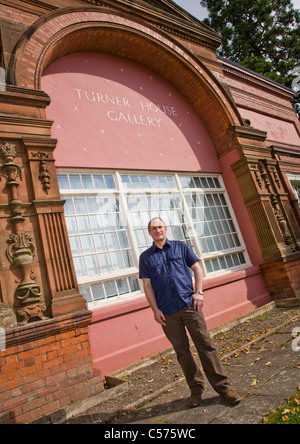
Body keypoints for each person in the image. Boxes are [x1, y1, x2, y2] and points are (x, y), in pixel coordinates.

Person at [139, 217, 242, 408]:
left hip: (190, 306)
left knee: (205, 345)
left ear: (165, 229)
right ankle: (196, 390)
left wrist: (199, 292)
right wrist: (155, 310)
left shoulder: (180, 246)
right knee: (182, 352)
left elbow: (197, 268)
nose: (157, 230)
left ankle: (224, 388)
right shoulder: (145, 257)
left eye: (160, 227)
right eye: (153, 228)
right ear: (149, 232)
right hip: (167, 313)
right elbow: (147, 285)